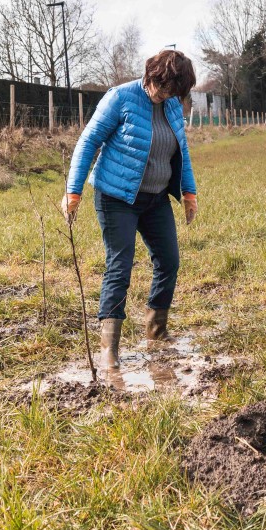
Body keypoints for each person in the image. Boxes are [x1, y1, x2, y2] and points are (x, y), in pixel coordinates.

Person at [61, 49, 198, 369]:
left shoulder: (173, 106)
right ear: (151, 75)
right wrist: (73, 191)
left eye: (173, 92)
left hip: (155, 200)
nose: (164, 96)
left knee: (169, 261)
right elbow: (88, 142)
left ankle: (156, 331)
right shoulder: (119, 98)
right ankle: (109, 348)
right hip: (116, 199)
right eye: (162, 88)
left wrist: (188, 192)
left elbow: (182, 150)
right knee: (120, 266)